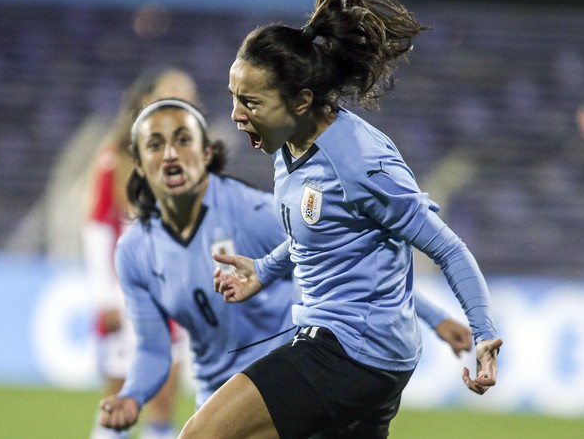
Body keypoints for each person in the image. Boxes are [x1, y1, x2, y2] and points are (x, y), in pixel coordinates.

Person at [180, 0, 502, 439]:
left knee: (202, 436)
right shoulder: (287, 144)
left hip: (349, 351)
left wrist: (483, 332)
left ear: (301, 100)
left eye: (250, 101)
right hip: (372, 358)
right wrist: (263, 271)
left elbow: (448, 248)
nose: (235, 114)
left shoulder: (361, 164)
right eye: (234, 96)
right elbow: (317, 240)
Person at [96, 99, 473, 435]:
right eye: (155, 145)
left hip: (288, 385)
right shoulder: (135, 252)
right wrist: (132, 396)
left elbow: (347, 260)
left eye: (182, 140)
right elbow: (153, 348)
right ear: (139, 165)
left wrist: (434, 316)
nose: (170, 154)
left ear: (207, 152)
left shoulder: (250, 213)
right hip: (219, 399)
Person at [84, 68, 197, 439]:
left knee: (164, 402)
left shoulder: (193, 161)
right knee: (119, 400)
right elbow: (98, 229)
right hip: (128, 295)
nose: (182, 99)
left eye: (188, 94)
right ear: (146, 101)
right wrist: (106, 297)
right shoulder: (115, 158)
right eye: (173, 92)